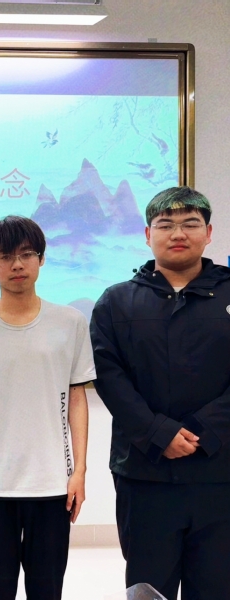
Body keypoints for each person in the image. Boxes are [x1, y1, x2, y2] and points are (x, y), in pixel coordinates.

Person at [90, 187, 230, 600]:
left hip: (221, 472)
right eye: (166, 225)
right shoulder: (116, 301)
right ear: (147, 234)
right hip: (144, 473)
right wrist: (158, 433)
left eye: (190, 224)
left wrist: (204, 430)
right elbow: (108, 376)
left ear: (208, 232)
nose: (178, 233)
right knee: (148, 588)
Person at [0, 216, 94, 600]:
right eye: (5, 256)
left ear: (41, 259)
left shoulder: (70, 322)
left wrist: (79, 471)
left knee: (47, 589)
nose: (17, 264)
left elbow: (77, 398)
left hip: (53, 482)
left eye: (27, 254)